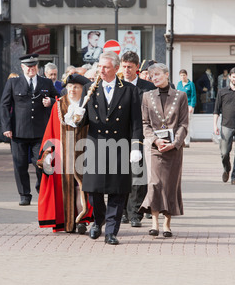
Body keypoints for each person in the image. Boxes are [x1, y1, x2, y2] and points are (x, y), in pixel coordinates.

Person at [72, 51, 143, 245]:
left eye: (105, 67)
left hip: (119, 145)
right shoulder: (90, 88)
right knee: (93, 190)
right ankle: (98, 221)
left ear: (116, 68)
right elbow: (82, 121)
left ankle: (112, 230)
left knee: (117, 192)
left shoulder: (130, 90)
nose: (101, 70)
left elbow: (136, 122)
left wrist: (136, 146)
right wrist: (76, 117)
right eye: (99, 67)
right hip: (96, 145)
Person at [0, 53, 60, 206]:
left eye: (33, 66)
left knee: (41, 164)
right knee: (20, 165)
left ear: (37, 67)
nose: (31, 69)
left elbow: (59, 99)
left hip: (40, 131)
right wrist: (6, 127)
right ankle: (24, 195)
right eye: (28, 67)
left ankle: (41, 190)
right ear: (22, 67)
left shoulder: (46, 82)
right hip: (18, 132)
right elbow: (4, 105)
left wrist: (51, 101)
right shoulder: (14, 83)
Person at [37, 74, 94, 234]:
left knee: (81, 188)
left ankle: (82, 220)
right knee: (65, 188)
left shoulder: (88, 104)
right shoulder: (59, 106)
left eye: (76, 87)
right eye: (69, 87)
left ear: (82, 89)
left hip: (84, 152)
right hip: (63, 156)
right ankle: (68, 222)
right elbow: (51, 130)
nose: (72, 90)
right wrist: (48, 153)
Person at [139, 63, 189, 237]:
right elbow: (145, 123)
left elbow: (183, 123)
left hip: (173, 148)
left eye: (158, 74)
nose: (155, 78)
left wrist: (175, 143)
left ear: (167, 74)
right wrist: (155, 140)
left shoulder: (180, 96)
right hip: (154, 147)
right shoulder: (147, 96)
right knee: (154, 184)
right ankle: (154, 222)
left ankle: (167, 222)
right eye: (152, 76)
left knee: (170, 184)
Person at [119, 51, 156, 228]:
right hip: (119, 137)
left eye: (130, 67)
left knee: (138, 177)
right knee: (121, 175)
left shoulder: (147, 88)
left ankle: (135, 213)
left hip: (140, 136)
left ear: (137, 68)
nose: (126, 70)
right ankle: (123, 212)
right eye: (124, 66)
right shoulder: (117, 85)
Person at [214, 67, 235, 186]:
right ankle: (226, 168)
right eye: (233, 77)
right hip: (226, 126)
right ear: (230, 77)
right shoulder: (222, 92)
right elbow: (216, 110)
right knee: (224, 152)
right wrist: (215, 126)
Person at [177, 70, 197, 147]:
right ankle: (180, 140)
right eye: (181, 75)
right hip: (180, 106)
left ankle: (187, 141)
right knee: (180, 123)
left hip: (188, 105)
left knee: (187, 124)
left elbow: (193, 96)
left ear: (186, 75)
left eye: (184, 75)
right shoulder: (179, 84)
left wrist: (192, 106)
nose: (183, 77)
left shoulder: (191, 84)